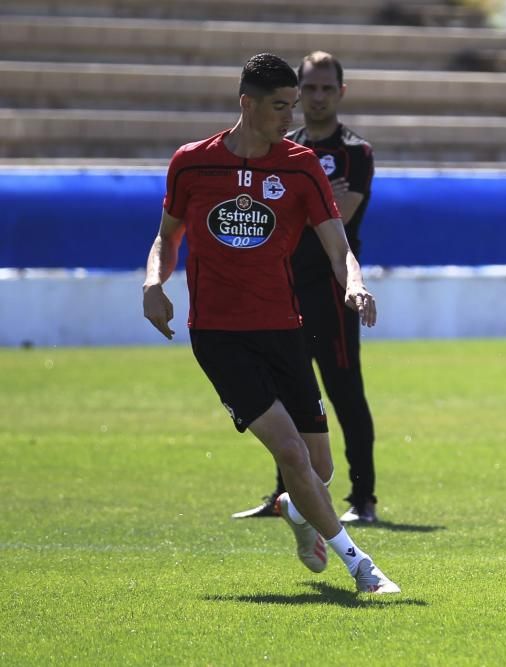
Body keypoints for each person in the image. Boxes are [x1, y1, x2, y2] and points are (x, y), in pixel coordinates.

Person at [142, 53, 399, 593]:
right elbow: (167, 236)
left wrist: (354, 283)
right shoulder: (191, 162)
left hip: (284, 328)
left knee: (318, 468)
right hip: (219, 335)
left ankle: (297, 510)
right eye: (281, 106)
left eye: (294, 104)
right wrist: (153, 283)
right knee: (290, 452)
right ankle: (362, 567)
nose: (292, 115)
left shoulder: (301, 165)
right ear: (248, 104)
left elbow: (338, 246)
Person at [232, 51, 380, 524]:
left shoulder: (354, 152)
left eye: (326, 88)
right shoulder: (283, 146)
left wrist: (299, 208)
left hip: (332, 293)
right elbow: (282, 214)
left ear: (341, 92)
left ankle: (363, 499)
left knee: (344, 392)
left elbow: (339, 216)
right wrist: (310, 204)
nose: (317, 97)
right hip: (283, 291)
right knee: (284, 396)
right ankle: (285, 496)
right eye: (309, 88)